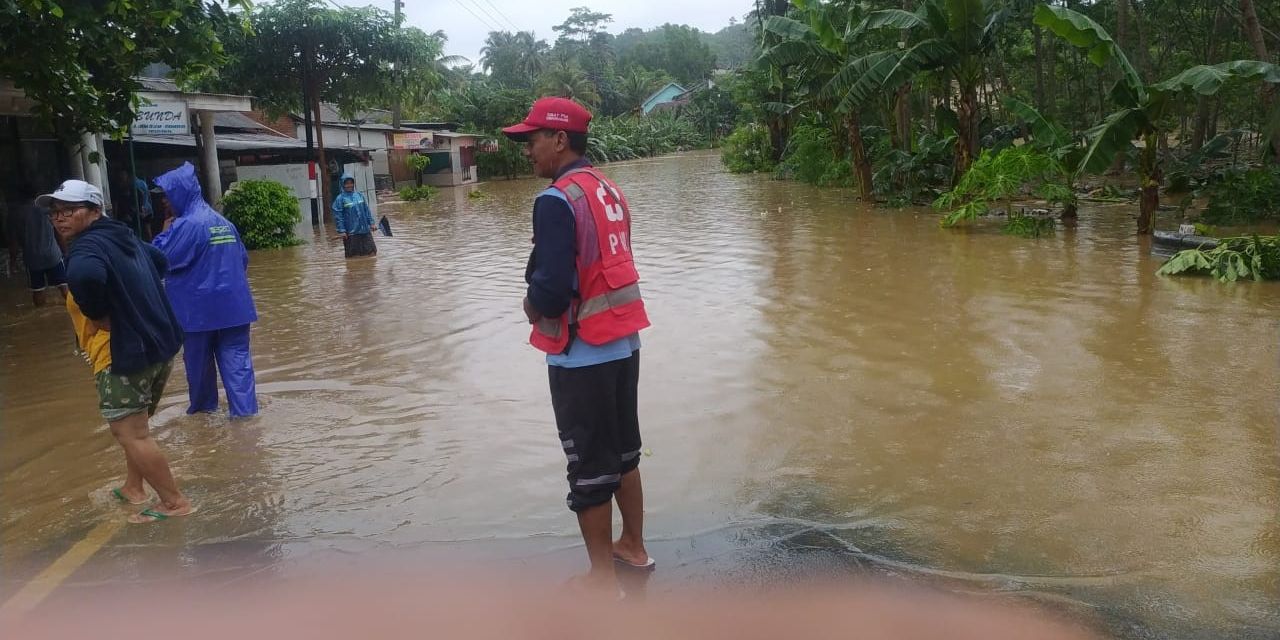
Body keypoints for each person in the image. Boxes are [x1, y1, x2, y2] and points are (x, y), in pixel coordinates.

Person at [503, 97, 654, 592]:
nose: (528, 151)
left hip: (582, 352)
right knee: (625, 452)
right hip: (623, 345)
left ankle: (601, 580)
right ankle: (633, 545)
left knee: (589, 465)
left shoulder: (555, 199)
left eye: (533, 140)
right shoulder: (608, 188)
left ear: (560, 140)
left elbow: (548, 292)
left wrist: (530, 306)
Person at [41, 179, 193, 523]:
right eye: (55, 213)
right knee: (137, 427)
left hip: (122, 353)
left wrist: (99, 312)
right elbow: (158, 259)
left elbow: (83, 276)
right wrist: (135, 298)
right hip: (159, 345)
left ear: (95, 211)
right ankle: (133, 488)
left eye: (69, 210)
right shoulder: (121, 235)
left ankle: (175, 503)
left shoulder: (85, 249)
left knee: (129, 432)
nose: (59, 218)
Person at [152, 162, 259, 418]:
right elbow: (242, 260)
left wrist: (163, 233)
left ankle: (202, 419)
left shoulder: (186, 225)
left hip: (197, 314)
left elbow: (157, 260)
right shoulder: (223, 223)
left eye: (167, 196)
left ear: (179, 193)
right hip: (235, 309)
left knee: (198, 369)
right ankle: (245, 418)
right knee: (238, 365)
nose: (164, 202)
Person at [6, 185, 68, 306]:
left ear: (19, 196)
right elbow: (59, 233)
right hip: (53, 256)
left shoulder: (15, 215)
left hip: (33, 259)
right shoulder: (47, 211)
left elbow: (14, 244)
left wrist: (12, 262)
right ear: (37, 194)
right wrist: (65, 252)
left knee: (38, 291)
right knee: (64, 289)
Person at [331, 173, 377, 258]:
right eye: (347, 183)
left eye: (351, 183)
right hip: (351, 234)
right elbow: (338, 217)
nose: (349, 185)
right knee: (354, 258)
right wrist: (342, 230)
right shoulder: (340, 199)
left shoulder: (359, 195)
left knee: (372, 254)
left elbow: (366, 210)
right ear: (343, 184)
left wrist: (372, 223)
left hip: (365, 231)